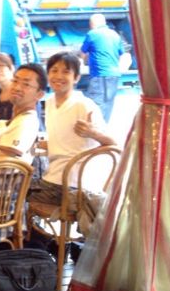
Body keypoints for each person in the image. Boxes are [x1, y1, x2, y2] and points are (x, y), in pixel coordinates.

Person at [28, 52, 115, 232]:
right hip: (53, 179)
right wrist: (46, 144)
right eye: (54, 70)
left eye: (66, 72)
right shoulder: (50, 102)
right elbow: (67, 142)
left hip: (72, 187)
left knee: (14, 193)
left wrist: (93, 133)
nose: (58, 76)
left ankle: (35, 242)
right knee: (16, 185)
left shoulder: (84, 105)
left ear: (76, 78)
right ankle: (41, 241)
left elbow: (114, 143)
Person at [0, 63, 47, 241]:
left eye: (26, 84)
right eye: (15, 81)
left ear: (39, 95)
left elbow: (2, 164)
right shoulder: (19, 118)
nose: (17, 87)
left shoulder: (25, 123)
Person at [80, 13, 124, 122]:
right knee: (108, 103)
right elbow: (121, 54)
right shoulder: (115, 34)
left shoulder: (92, 34)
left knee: (96, 103)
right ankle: (103, 127)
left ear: (91, 24)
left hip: (100, 74)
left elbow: (83, 53)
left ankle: (95, 127)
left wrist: (83, 63)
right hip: (114, 74)